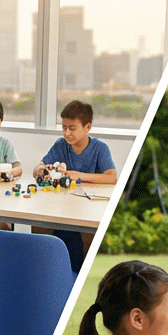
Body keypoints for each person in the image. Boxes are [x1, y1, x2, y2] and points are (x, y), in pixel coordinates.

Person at [33, 100, 118, 263]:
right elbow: (38, 167)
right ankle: (42, 268)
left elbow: (112, 177)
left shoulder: (100, 148)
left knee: (89, 233)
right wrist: (41, 170)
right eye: (64, 128)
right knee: (38, 226)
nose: (66, 133)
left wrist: (79, 175)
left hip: (88, 207)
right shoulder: (60, 145)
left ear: (87, 127)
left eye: (72, 128)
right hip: (60, 206)